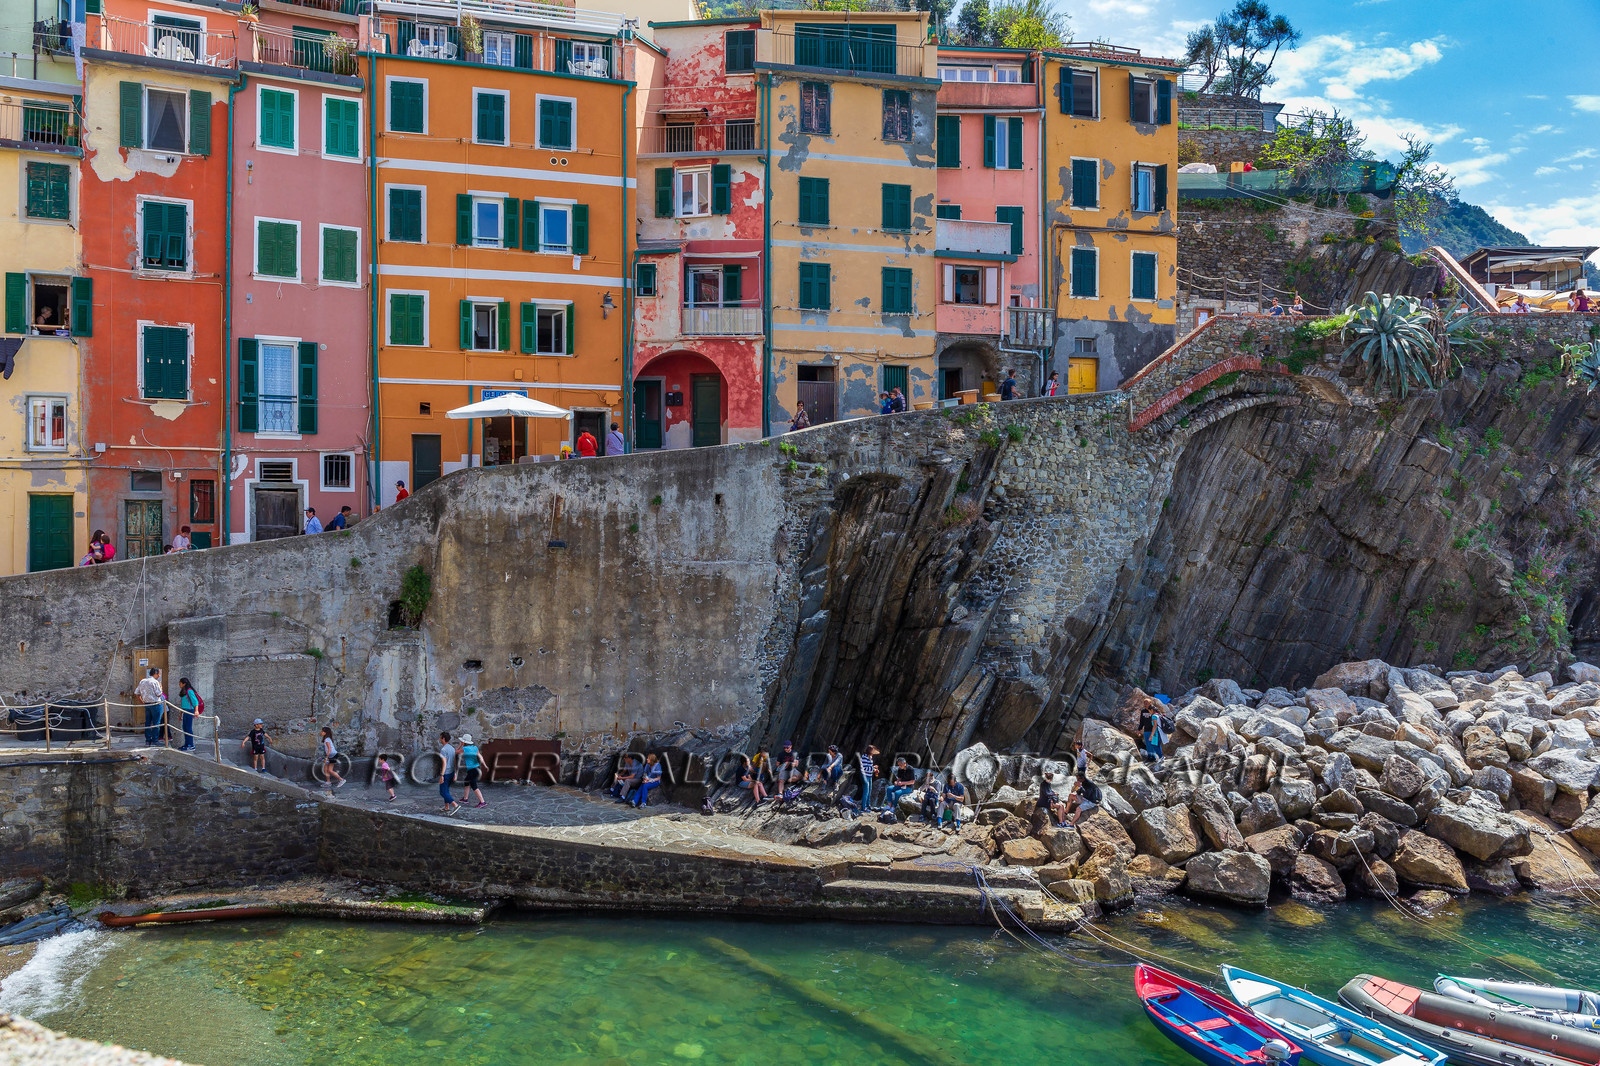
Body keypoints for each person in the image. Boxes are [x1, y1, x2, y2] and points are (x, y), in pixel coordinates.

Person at [135, 667, 165, 745]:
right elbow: (158, 694)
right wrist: (161, 687)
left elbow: (136, 693)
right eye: (159, 673)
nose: (159, 675)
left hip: (147, 704)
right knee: (156, 723)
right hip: (155, 704)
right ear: (155, 673)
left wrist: (142, 702)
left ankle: (148, 740)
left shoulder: (142, 681)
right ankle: (155, 740)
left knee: (147, 722)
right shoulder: (155, 682)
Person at [459, 733, 487, 809]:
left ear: (464, 742)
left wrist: (460, 745)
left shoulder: (465, 749)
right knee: (466, 782)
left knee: (474, 786)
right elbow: (480, 757)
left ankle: (482, 802)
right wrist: (485, 765)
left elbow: (455, 752)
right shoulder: (475, 747)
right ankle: (465, 799)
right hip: (477, 768)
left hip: (472, 770)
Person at [437, 731, 459, 815]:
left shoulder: (443, 750)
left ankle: (455, 805)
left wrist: (442, 775)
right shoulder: (452, 748)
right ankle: (446, 807)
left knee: (442, 792)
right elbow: (454, 761)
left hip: (446, 773)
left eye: (440, 737)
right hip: (451, 772)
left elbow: (444, 763)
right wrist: (455, 773)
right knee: (446, 790)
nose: (439, 739)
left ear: (443, 738)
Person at [176, 677, 199, 752]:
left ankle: (191, 745)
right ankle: (187, 744)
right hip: (185, 711)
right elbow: (183, 705)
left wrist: (196, 711)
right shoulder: (184, 691)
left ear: (184, 684)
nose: (179, 684)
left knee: (188, 728)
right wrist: (180, 714)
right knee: (185, 727)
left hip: (189, 711)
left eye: (180, 683)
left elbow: (195, 702)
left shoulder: (189, 691)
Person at [857, 745, 879, 813]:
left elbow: (868, 766)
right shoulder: (864, 757)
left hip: (869, 776)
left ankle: (868, 805)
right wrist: (873, 769)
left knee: (869, 791)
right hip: (865, 776)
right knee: (866, 792)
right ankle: (863, 808)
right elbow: (864, 768)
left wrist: (873, 767)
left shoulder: (870, 757)